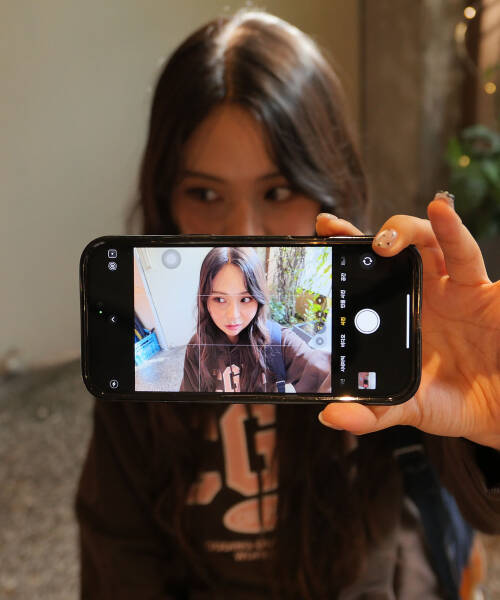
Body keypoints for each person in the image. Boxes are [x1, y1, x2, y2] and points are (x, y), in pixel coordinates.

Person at [75, 9, 500, 599]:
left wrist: (488, 409)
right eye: (204, 192)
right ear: (165, 197)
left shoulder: (332, 341)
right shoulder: (161, 374)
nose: (242, 230)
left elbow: (483, 511)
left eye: (278, 190)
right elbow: (119, 558)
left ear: (330, 183)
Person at [179, 246, 330, 393]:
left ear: (258, 298)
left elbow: (321, 372)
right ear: (205, 300)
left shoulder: (278, 342)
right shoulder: (198, 347)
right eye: (219, 299)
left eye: (245, 299)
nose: (233, 315)